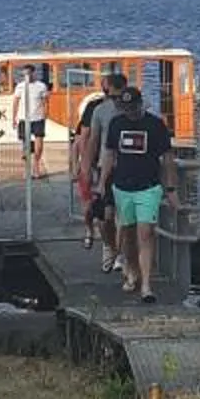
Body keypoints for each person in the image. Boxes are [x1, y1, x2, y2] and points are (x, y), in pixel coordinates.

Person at [99, 84, 177, 303]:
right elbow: (109, 154)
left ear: (140, 104)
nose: (130, 112)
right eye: (126, 108)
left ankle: (146, 285)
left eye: (133, 107)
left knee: (146, 233)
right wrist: (103, 182)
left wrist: (170, 188)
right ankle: (131, 269)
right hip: (122, 186)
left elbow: (167, 157)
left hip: (149, 187)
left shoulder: (155, 125)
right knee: (128, 235)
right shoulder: (117, 124)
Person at [70, 70, 130, 265]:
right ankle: (108, 245)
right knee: (102, 214)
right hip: (101, 165)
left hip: (125, 166)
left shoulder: (132, 107)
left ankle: (120, 253)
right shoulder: (96, 109)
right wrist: (83, 166)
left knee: (121, 213)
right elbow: (87, 138)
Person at [11, 65, 51, 178]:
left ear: (33, 73)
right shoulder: (20, 87)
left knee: (39, 145)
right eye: (24, 75)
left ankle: (36, 166)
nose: (26, 76)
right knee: (26, 145)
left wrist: (45, 114)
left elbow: (46, 101)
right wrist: (13, 118)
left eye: (28, 74)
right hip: (24, 119)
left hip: (38, 118)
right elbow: (15, 102)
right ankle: (27, 169)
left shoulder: (41, 86)